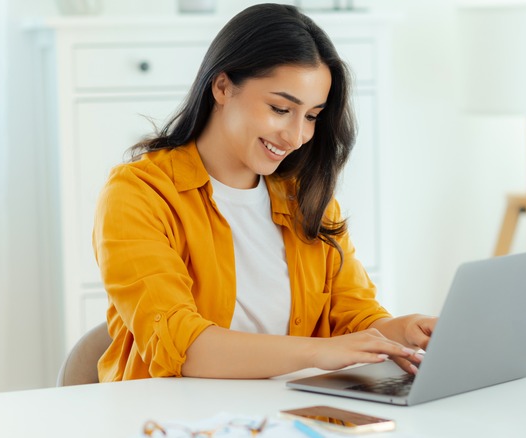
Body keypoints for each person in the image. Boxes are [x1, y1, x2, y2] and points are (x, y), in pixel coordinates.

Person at [92, 3, 437, 381]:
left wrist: (400, 331)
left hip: (293, 415)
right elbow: (183, 347)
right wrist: (318, 352)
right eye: (279, 108)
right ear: (222, 86)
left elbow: (352, 317)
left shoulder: (307, 198)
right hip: (177, 419)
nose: (296, 137)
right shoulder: (138, 194)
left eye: (311, 116)